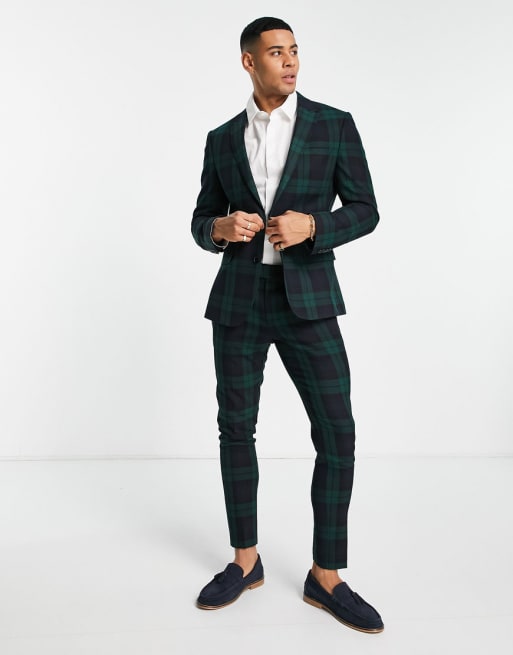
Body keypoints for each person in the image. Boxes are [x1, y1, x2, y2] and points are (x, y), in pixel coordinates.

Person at [191, 16, 383, 633]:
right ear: (249, 62)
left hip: (310, 302)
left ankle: (326, 576)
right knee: (235, 430)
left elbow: (366, 210)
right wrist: (218, 229)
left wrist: (315, 227)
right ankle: (245, 562)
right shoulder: (222, 138)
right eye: (277, 52)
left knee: (337, 432)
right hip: (239, 303)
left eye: (295, 50)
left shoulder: (333, 125)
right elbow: (200, 220)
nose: (291, 61)